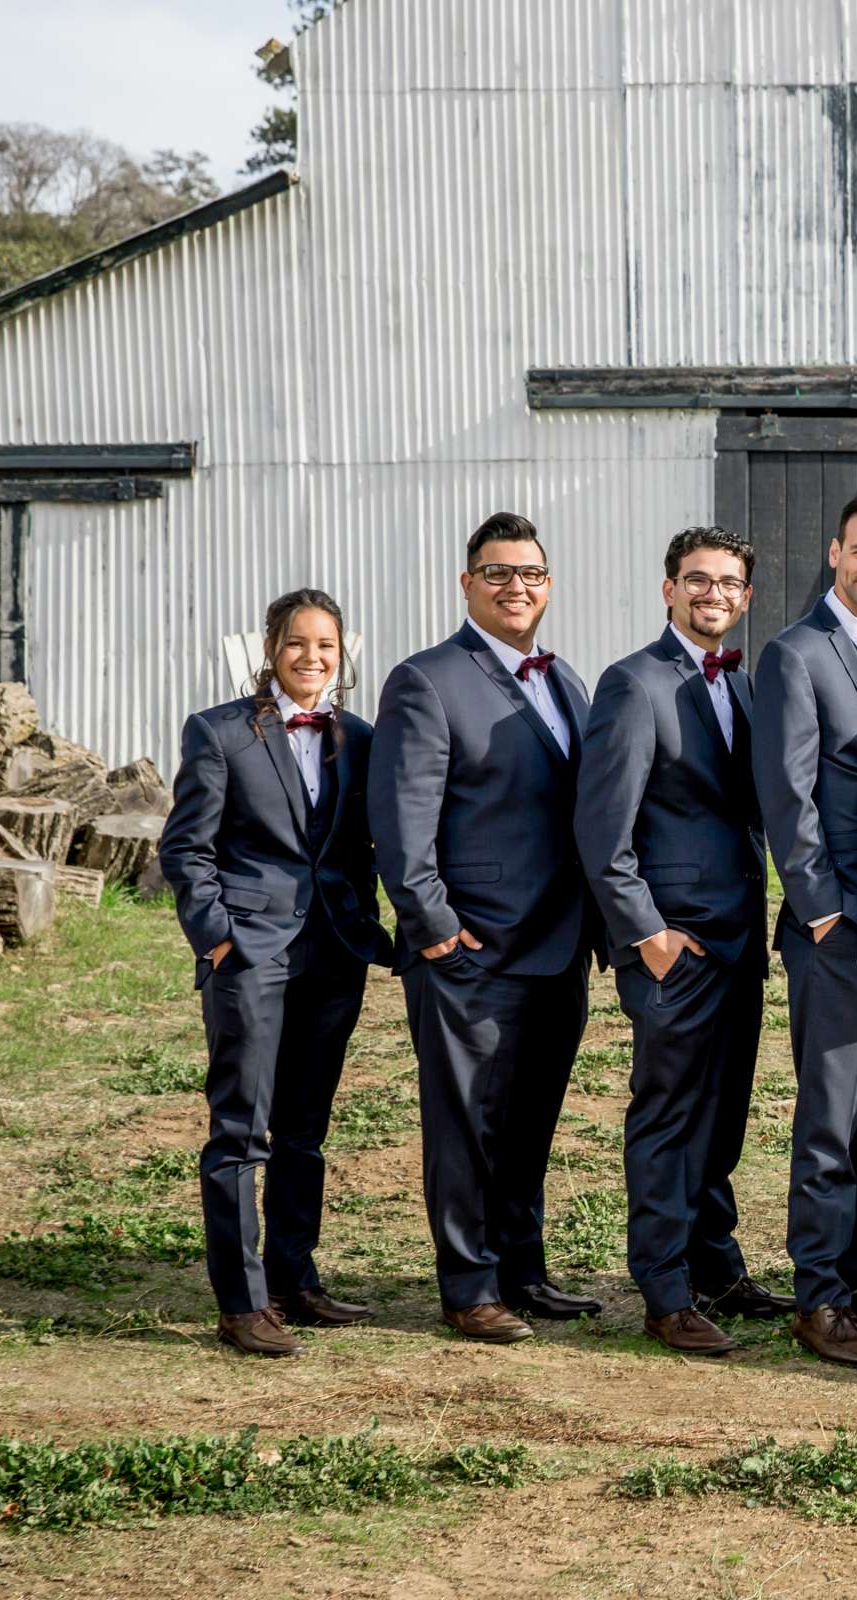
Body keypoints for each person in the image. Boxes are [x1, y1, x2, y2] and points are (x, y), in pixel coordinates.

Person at [371, 511, 603, 1345]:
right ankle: (468, 1285)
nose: (517, 587)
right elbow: (402, 823)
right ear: (466, 582)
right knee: (467, 1121)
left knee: (533, 1116)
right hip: (470, 948)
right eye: (499, 572)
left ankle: (521, 1268)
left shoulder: (567, 682)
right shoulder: (426, 680)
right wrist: (432, 926)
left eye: (532, 573)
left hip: (557, 945)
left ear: (549, 584)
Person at [158, 589, 395, 1357]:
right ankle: (242, 1300)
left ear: (341, 654)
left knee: (305, 1130)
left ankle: (296, 1279)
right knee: (240, 1129)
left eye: (326, 645)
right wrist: (218, 939)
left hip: (333, 956)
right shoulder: (220, 733)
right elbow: (185, 849)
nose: (312, 657)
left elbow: (364, 847)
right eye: (297, 643)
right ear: (271, 647)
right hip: (250, 956)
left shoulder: (360, 738)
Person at [575, 527, 782, 1356]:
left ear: (745, 597)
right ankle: (663, 1288)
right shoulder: (634, 683)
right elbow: (602, 829)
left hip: (738, 936)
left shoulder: (747, 684)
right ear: (669, 589)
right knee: (668, 1111)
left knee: (724, 1110)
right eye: (697, 581)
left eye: (729, 584)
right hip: (674, 943)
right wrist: (647, 934)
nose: (713, 596)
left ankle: (715, 1263)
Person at [751, 492, 857, 1369]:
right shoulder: (795, 654)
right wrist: (820, 907)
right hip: (836, 928)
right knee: (829, 1116)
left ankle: (856, 1272)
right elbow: (788, 793)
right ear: (834, 553)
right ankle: (817, 1295)